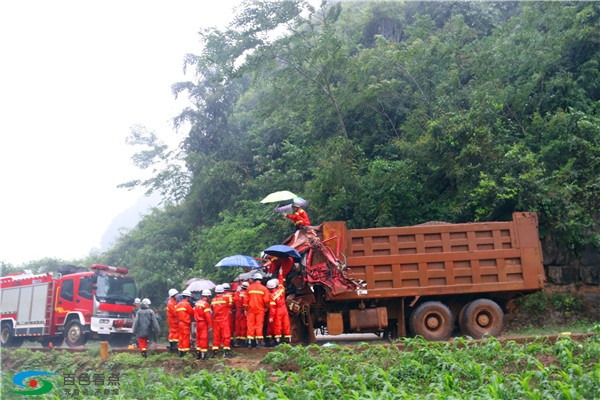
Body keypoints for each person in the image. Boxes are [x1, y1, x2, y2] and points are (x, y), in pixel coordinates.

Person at [243, 273, 270, 348]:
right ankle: (258, 342)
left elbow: (245, 301)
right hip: (260, 310)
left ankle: (249, 342)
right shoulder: (264, 289)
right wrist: (267, 307)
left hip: (250, 310)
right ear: (261, 279)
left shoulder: (249, 288)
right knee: (259, 325)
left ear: (254, 279)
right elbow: (266, 300)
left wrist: (245, 309)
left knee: (250, 325)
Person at [211, 285, 234, 357]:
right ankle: (226, 353)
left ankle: (214, 353)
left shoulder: (213, 300)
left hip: (216, 321)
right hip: (224, 320)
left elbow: (212, 309)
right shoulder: (226, 298)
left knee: (216, 337)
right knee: (226, 336)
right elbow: (232, 304)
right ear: (222, 291)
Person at [267, 279, 292, 344]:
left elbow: (272, 308)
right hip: (284, 309)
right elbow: (281, 283)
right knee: (286, 324)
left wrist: (271, 317)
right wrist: (280, 274)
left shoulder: (272, 296)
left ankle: (277, 340)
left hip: (278, 310)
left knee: (277, 324)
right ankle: (288, 338)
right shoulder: (281, 290)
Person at [194, 288, 213, 360]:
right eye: (209, 297)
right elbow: (208, 316)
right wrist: (210, 326)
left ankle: (198, 354)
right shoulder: (206, 304)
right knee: (204, 338)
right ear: (207, 296)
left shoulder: (197, 302)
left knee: (198, 338)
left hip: (197, 322)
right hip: (203, 323)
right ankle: (204, 355)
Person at [175, 289, 195, 357]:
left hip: (180, 323)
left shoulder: (178, 304)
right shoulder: (187, 304)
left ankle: (180, 352)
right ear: (187, 297)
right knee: (186, 337)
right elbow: (192, 312)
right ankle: (185, 352)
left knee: (181, 337)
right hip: (185, 323)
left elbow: (176, 314)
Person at [233, 282, 249, 347]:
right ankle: (243, 342)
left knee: (238, 326)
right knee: (243, 326)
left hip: (237, 311)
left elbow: (234, 301)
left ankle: (238, 340)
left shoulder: (237, 293)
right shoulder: (246, 293)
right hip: (243, 311)